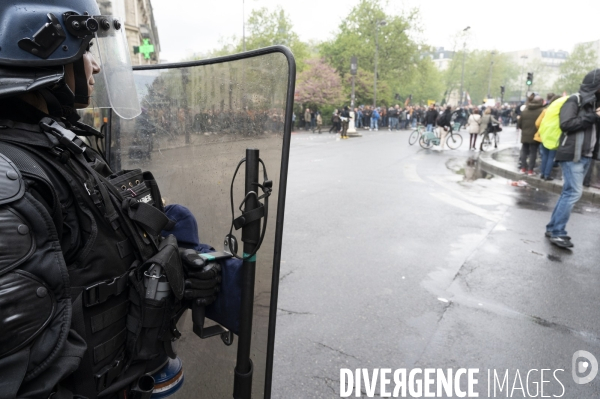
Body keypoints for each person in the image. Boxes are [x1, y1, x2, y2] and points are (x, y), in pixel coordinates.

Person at [0, 1, 222, 397]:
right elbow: (21, 374)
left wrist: (173, 271)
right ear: (42, 50)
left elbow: (88, 258)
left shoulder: (47, 143)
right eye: (85, 51)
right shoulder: (10, 173)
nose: (96, 65)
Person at [546, 69, 600, 248]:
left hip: (585, 155)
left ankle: (553, 228)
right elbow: (566, 124)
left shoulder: (594, 105)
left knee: (568, 192)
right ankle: (558, 232)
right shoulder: (574, 100)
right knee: (573, 193)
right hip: (572, 154)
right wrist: (593, 117)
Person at [536, 94, 562, 180]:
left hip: (544, 135)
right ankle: (547, 175)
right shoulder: (561, 112)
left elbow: (537, 123)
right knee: (551, 157)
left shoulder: (546, 110)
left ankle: (542, 173)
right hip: (554, 136)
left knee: (545, 156)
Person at [517, 95, 545, 175]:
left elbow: (519, 123)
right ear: (541, 101)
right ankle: (530, 170)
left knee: (524, 151)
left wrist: (524, 129)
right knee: (533, 152)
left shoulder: (525, 110)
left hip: (525, 134)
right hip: (536, 134)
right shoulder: (542, 110)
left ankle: (523, 168)